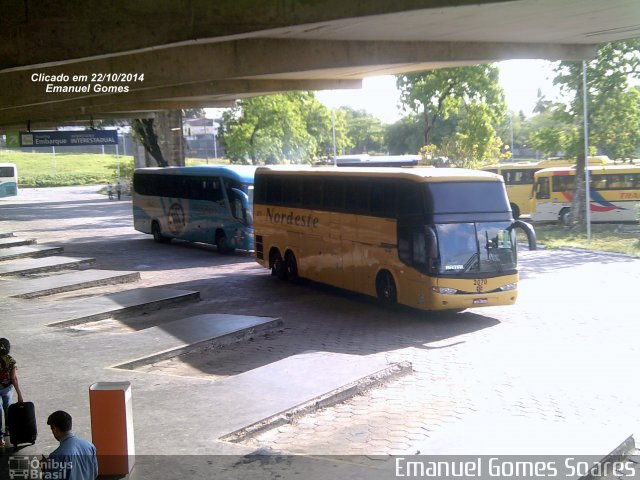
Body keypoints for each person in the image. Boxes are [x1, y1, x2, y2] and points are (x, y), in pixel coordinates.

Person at [43, 410, 98, 480]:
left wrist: (46, 469)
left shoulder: (56, 456)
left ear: (55, 428)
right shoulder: (89, 446)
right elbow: (95, 473)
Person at [0, 338, 24, 448]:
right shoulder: (11, 360)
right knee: (8, 408)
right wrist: (19, 394)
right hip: (7, 388)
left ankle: (0, 438)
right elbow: (14, 379)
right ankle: (8, 430)